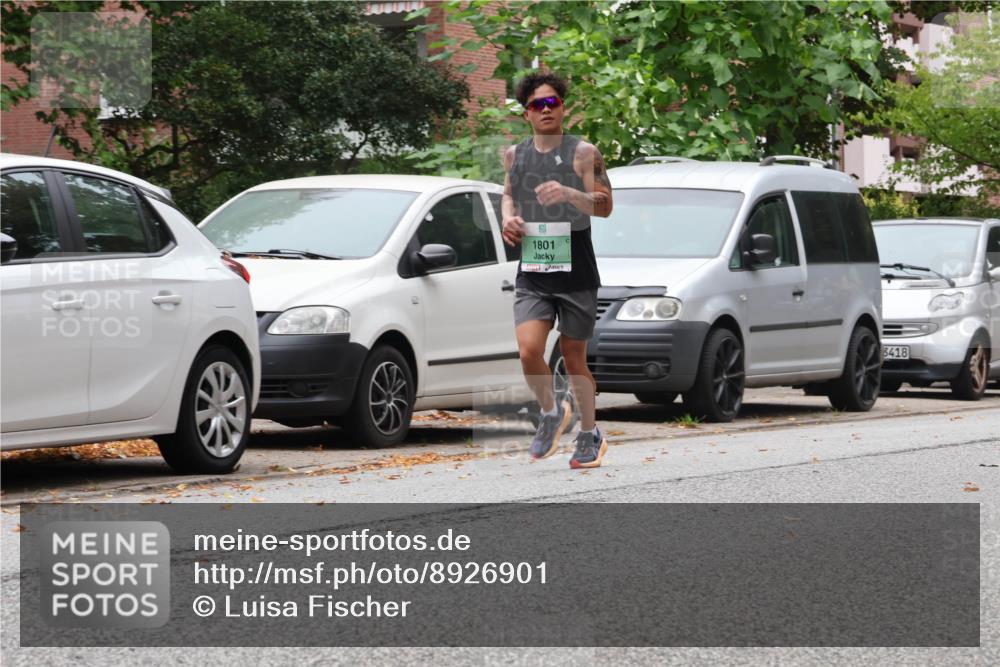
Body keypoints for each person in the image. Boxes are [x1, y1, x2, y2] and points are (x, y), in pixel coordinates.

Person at [500, 71, 614, 469]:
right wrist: (508, 220)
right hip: (533, 270)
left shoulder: (585, 153)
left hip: (577, 272)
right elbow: (508, 197)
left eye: (553, 103)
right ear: (526, 114)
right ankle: (551, 412)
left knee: (573, 357)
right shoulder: (515, 155)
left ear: (563, 107)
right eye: (537, 105)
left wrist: (569, 193)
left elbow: (605, 206)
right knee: (529, 349)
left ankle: (589, 433)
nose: (546, 110)